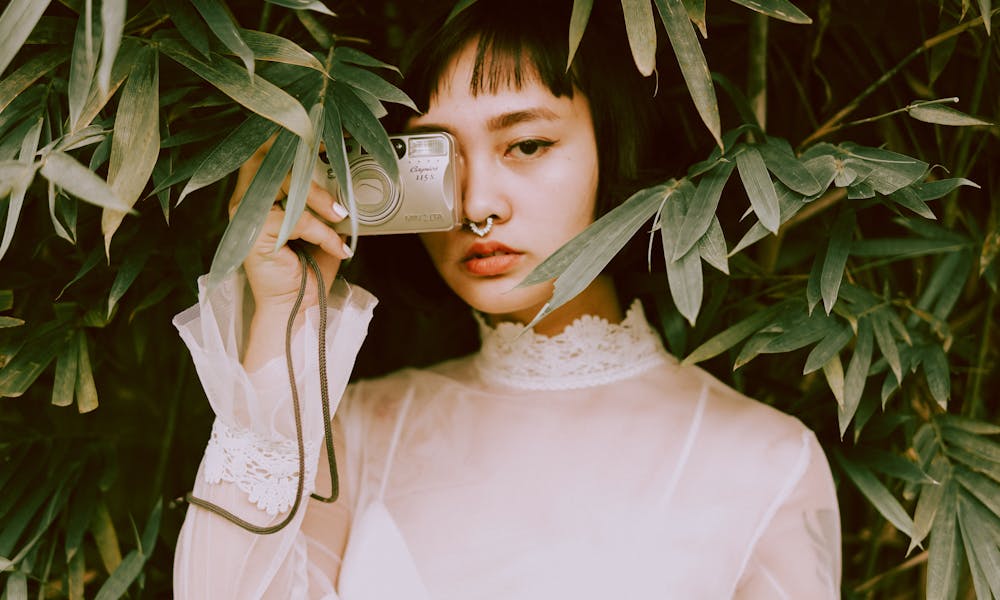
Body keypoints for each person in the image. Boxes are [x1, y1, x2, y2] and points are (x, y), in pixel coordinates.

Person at [172, 1, 842, 598]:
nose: (477, 205)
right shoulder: (356, 430)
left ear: (615, 147)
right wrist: (286, 312)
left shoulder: (766, 462)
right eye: (435, 157)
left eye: (526, 145)